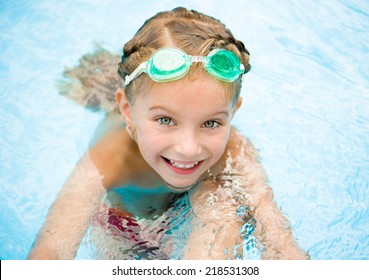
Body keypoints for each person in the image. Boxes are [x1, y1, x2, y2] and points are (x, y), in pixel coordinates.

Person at [28, 7, 309, 260]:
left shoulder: (235, 149)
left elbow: (279, 239)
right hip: (124, 226)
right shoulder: (111, 155)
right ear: (127, 112)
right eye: (165, 120)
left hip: (189, 217)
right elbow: (52, 249)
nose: (189, 148)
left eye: (211, 123)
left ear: (233, 112)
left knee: (223, 202)